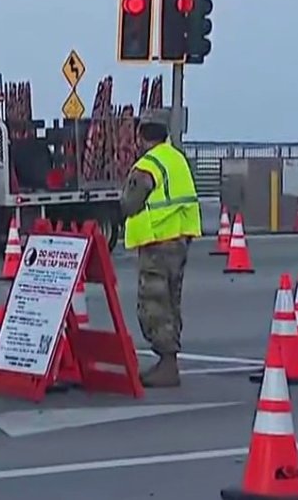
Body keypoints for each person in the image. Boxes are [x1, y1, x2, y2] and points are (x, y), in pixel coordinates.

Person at [120, 110, 201, 388]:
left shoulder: (148, 165)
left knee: (155, 303)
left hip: (157, 241)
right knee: (171, 300)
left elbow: (130, 203)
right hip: (179, 240)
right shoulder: (176, 158)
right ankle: (170, 361)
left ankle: (167, 364)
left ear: (141, 135)